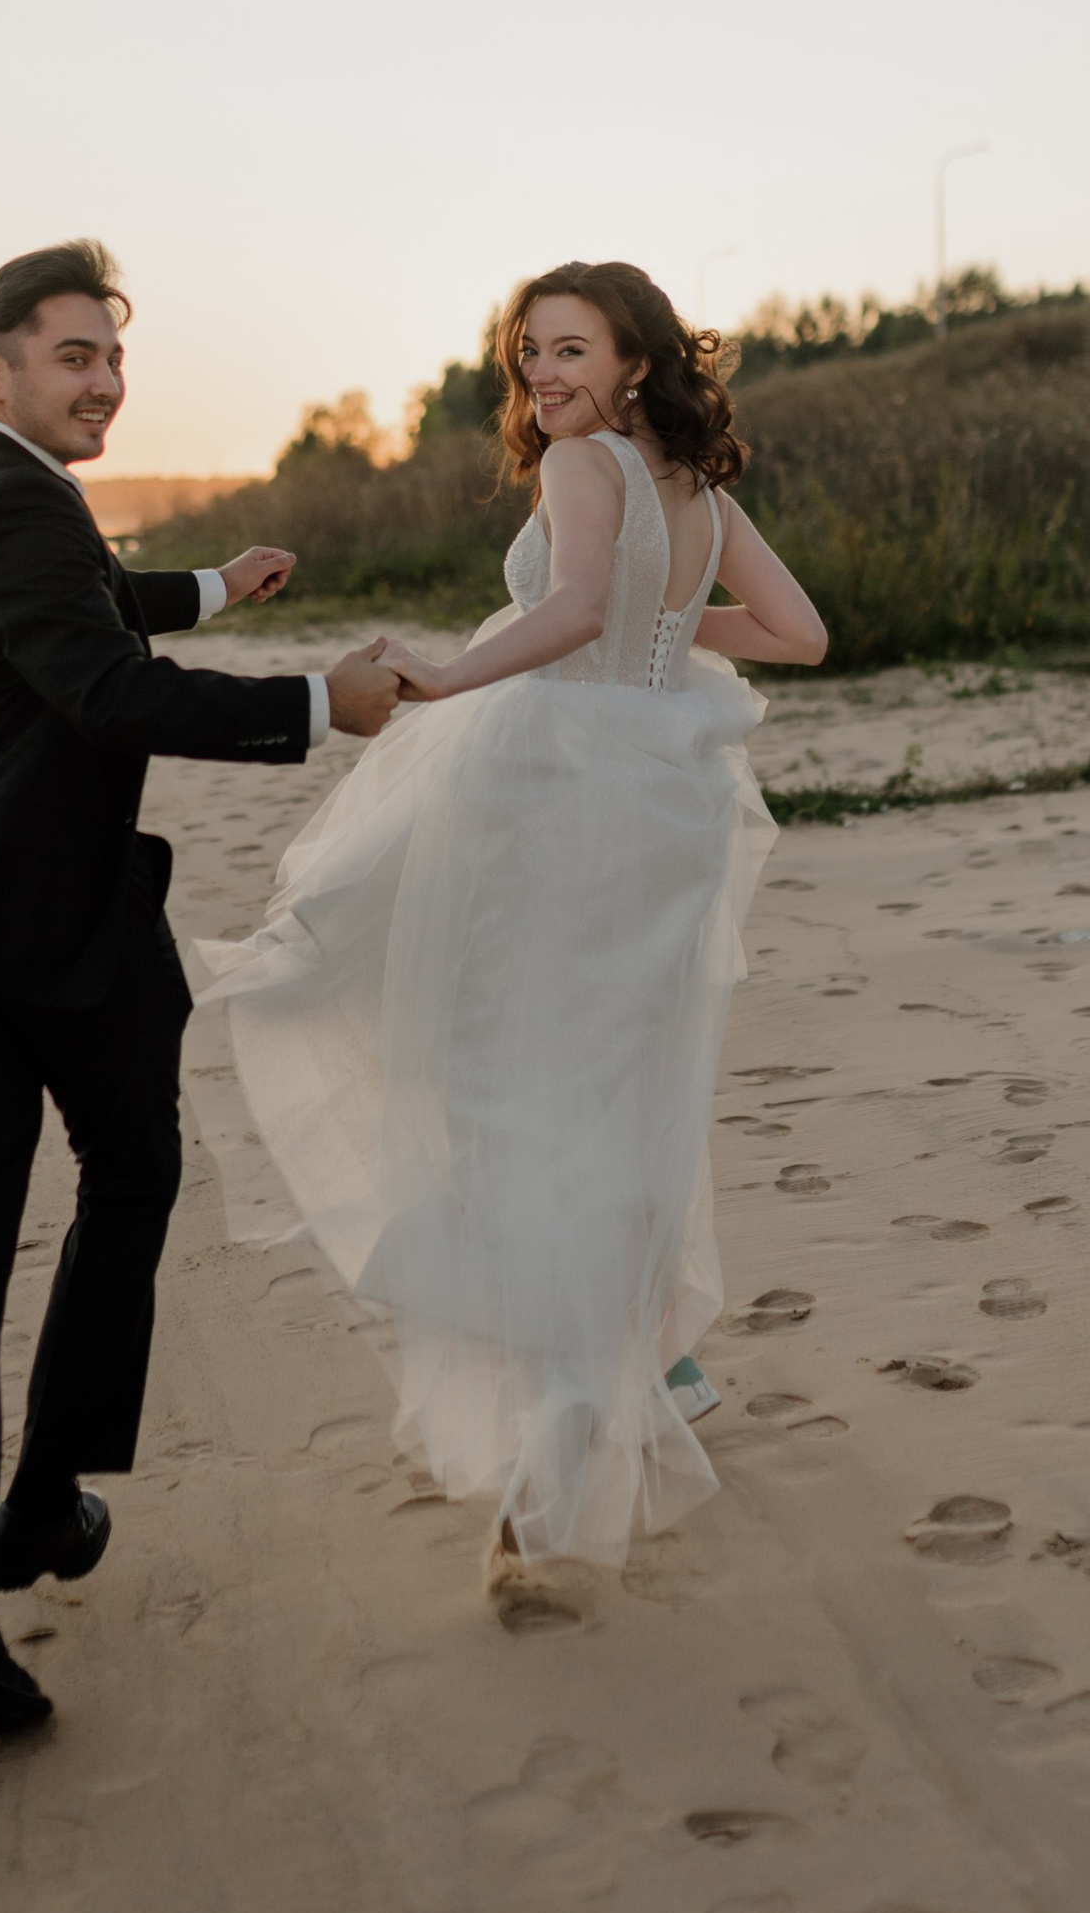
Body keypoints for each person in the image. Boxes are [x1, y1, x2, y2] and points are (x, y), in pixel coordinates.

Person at [0, 239, 406, 1740]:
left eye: (113, 358)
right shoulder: (22, 500)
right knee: (133, 1170)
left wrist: (214, 585)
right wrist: (314, 702)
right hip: (57, 924)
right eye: (76, 356)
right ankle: (39, 1497)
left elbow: (74, 613)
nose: (105, 382)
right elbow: (99, 685)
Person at [198, 261, 827, 1583]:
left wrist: (448, 672)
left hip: (563, 796)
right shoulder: (697, 489)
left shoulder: (586, 467)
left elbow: (579, 604)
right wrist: (668, 629)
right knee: (621, 1082)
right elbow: (797, 632)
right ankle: (632, 1362)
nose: (545, 376)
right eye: (530, 352)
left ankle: (564, 1405)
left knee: (508, 1078)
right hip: (668, 799)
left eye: (572, 350)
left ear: (637, 364)